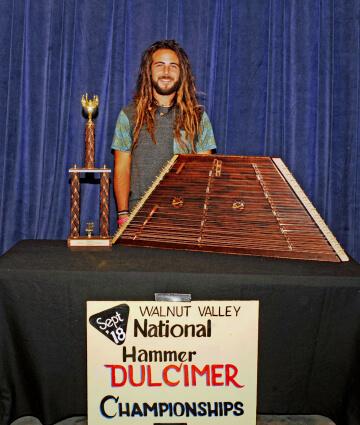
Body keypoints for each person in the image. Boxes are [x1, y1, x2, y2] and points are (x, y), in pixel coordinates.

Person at [111, 39, 216, 227]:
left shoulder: (198, 118)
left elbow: (204, 173)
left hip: (185, 218)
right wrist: (123, 216)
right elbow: (122, 168)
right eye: (160, 65)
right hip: (139, 218)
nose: (166, 72)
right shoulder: (128, 116)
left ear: (181, 73)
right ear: (148, 71)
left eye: (173, 66)